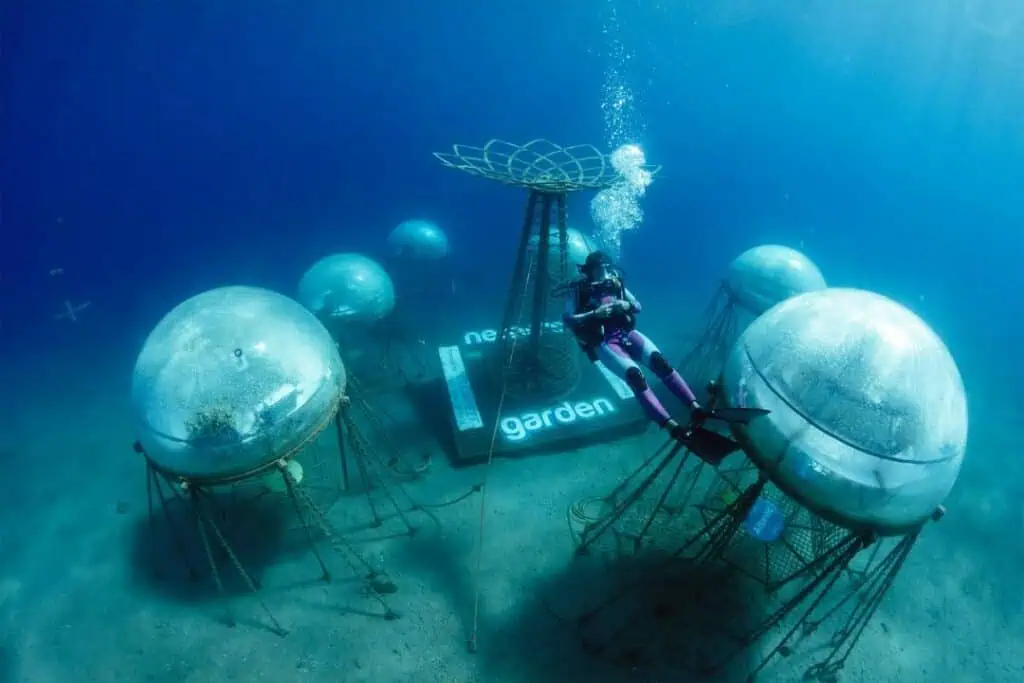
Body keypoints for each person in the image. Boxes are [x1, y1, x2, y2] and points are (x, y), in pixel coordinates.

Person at [562, 251, 747, 465]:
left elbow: (637, 305)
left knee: (661, 363)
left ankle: (695, 407)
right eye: (598, 270)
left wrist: (626, 305)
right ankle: (671, 426)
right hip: (604, 342)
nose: (603, 275)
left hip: (627, 333)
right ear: (589, 271)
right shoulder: (579, 290)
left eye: (606, 269)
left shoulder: (615, 282)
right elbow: (568, 319)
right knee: (635, 377)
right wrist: (595, 314)